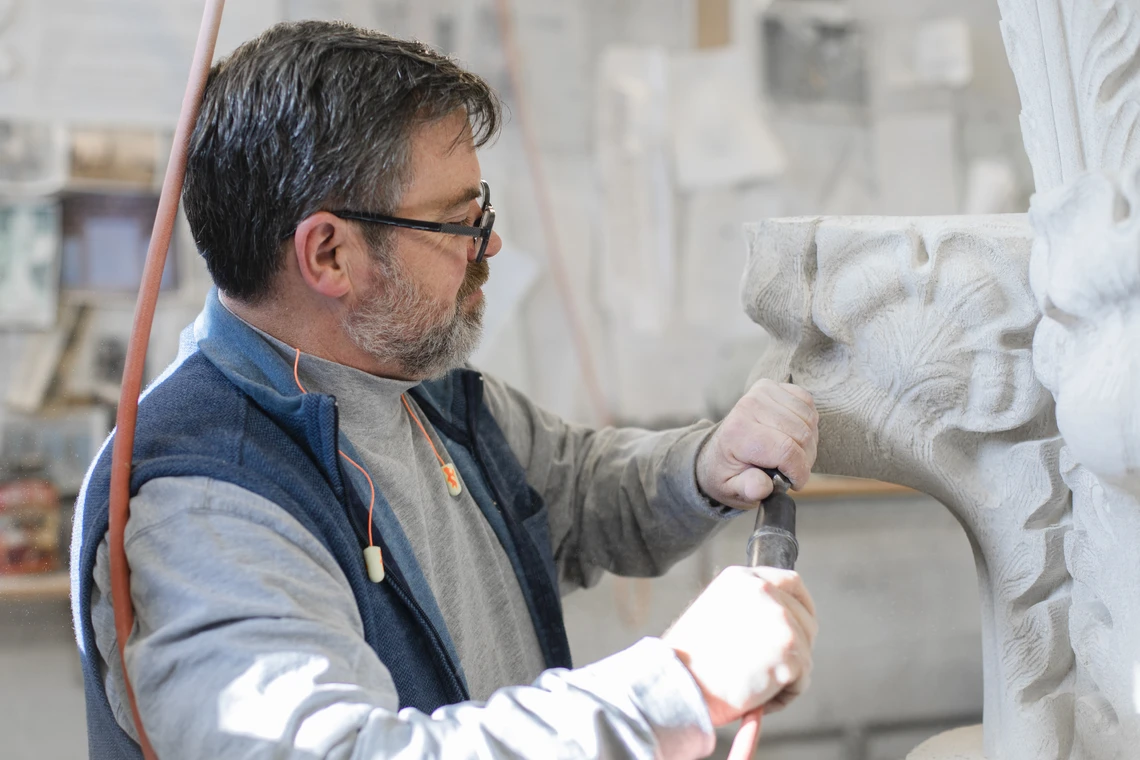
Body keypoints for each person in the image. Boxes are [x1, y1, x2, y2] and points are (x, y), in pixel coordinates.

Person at [72, 20, 820, 760]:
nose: (488, 243)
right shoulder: (204, 501)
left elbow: (580, 489)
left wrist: (707, 465)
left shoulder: (420, 390)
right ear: (330, 253)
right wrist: (676, 686)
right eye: (457, 220)